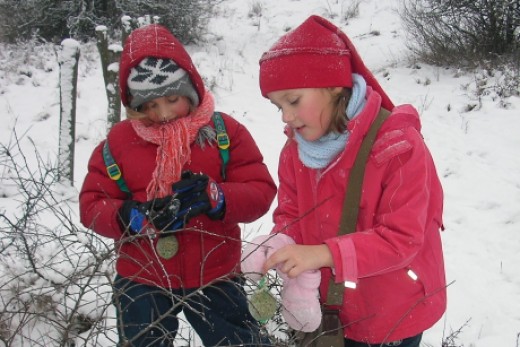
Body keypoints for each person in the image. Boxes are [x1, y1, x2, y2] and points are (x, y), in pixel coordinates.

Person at [243, 15, 446, 347]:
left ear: (334, 85)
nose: (286, 116)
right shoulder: (295, 151)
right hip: (332, 311)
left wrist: (322, 254)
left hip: (394, 314)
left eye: (293, 101)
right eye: (277, 106)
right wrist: (280, 242)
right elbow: (293, 214)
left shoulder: (397, 148)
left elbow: (401, 239)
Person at [79, 24, 276, 347]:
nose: (164, 114)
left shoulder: (224, 132)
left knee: (240, 342)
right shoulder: (118, 143)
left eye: (172, 99)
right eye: (149, 106)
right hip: (143, 276)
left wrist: (217, 197)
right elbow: (91, 203)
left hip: (215, 271)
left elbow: (260, 191)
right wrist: (129, 216)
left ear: (191, 90)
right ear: (134, 106)